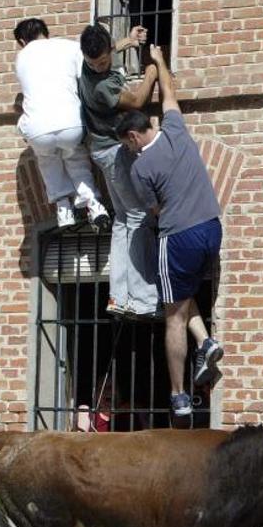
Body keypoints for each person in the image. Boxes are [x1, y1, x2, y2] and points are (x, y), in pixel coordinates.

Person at [115, 44, 223, 419]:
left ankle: (178, 395)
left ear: (131, 138)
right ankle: (206, 342)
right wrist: (160, 62)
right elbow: (170, 96)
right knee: (184, 292)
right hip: (212, 229)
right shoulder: (176, 129)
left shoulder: (140, 169)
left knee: (171, 313)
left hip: (177, 236)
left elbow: (155, 210)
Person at [77, 23, 160, 320]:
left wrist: (128, 41)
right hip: (114, 151)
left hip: (101, 150)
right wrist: (154, 69)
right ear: (85, 58)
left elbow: (111, 50)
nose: (100, 67)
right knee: (138, 216)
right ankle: (143, 299)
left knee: (123, 220)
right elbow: (137, 101)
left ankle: (119, 296)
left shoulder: (87, 64)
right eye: (94, 63)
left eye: (103, 61)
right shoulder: (102, 86)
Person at [12, 18, 111, 231]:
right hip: (71, 124)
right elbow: (84, 76)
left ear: (22, 41)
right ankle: (94, 204)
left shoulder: (21, 58)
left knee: (47, 158)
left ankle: (63, 207)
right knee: (75, 156)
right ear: (46, 32)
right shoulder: (71, 47)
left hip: (38, 130)